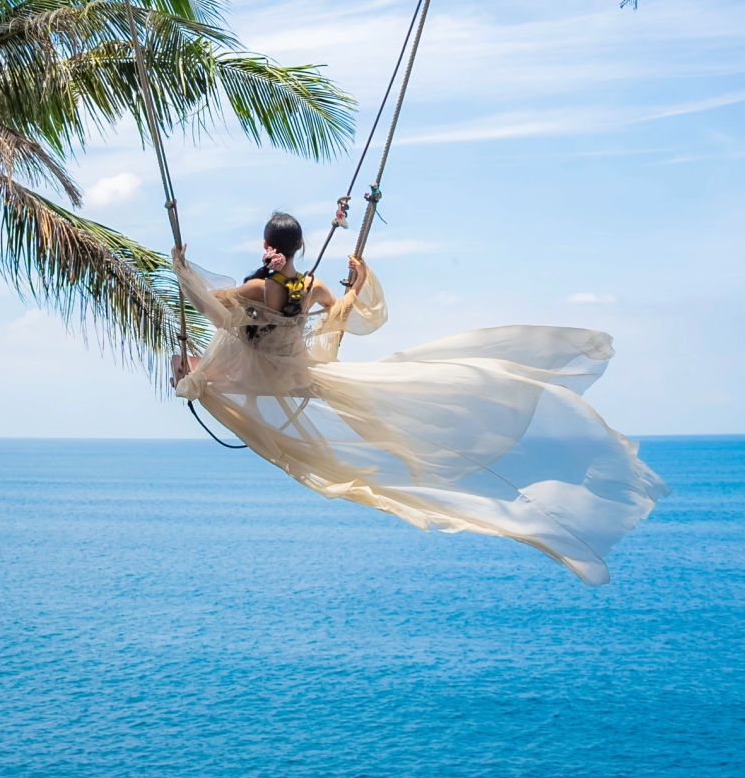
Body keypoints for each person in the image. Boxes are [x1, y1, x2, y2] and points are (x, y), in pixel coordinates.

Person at [171, 212, 668, 587]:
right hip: (300, 377)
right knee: (379, 413)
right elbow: (343, 312)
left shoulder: (260, 287)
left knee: (203, 381)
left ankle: (188, 375)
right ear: (300, 247)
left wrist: (181, 270)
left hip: (264, 378)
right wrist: (358, 284)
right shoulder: (312, 285)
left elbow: (214, 308)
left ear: (268, 246)